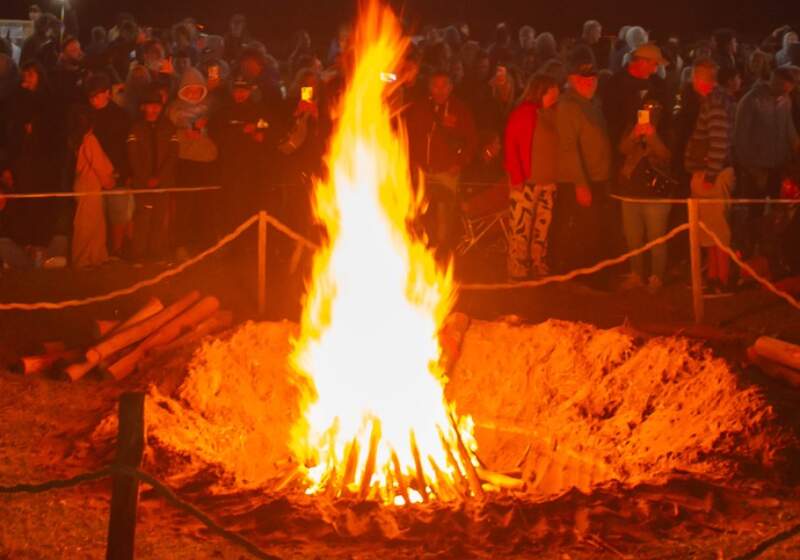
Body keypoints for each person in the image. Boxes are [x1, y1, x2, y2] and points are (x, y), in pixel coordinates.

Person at [603, 43, 674, 292]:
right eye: (654, 64)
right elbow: (620, 145)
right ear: (641, 61)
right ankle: (636, 273)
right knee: (632, 234)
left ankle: (655, 276)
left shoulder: (660, 91)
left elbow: (667, 153)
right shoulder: (615, 87)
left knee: (656, 235)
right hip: (630, 180)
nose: (655, 70)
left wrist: (653, 136)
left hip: (654, 183)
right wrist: (634, 134)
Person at [0, 62, 68, 269]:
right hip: (21, 166)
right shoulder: (15, 101)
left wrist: (36, 129)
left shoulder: (52, 103)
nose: (26, 78)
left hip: (44, 168)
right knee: (21, 208)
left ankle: (40, 248)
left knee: (42, 208)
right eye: (25, 74)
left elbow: (57, 137)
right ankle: (24, 249)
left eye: (31, 74)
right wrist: (7, 167)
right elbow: (9, 136)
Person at [553, 47, 612, 274]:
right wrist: (580, 184)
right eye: (582, 77)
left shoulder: (592, 103)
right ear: (571, 79)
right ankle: (582, 275)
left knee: (593, 229)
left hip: (596, 177)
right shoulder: (569, 106)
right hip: (581, 181)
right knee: (584, 230)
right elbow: (569, 148)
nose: (588, 81)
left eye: (591, 76)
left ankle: (590, 272)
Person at [407, 70, 478, 255]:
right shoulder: (420, 108)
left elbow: (471, 141)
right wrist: (412, 162)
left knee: (444, 219)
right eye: (435, 86)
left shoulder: (460, 110)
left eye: (443, 86)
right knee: (416, 215)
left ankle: (442, 259)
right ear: (429, 88)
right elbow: (409, 137)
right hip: (421, 172)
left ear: (450, 87)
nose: (439, 91)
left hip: (446, 172)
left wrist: (460, 163)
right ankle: (417, 255)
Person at [733, 67, 799, 260]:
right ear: (774, 80)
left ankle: (772, 255)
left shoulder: (785, 100)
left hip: (777, 166)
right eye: (783, 87)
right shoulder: (751, 101)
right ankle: (751, 255)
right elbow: (740, 139)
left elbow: (789, 130)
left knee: (778, 212)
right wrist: (752, 169)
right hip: (756, 168)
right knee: (755, 213)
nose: (786, 91)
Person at [685, 59, 736, 293]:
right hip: (712, 172)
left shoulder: (714, 103)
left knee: (717, 229)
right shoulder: (719, 99)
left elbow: (718, 140)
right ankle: (714, 276)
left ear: (699, 79)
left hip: (712, 174)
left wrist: (711, 173)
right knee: (711, 229)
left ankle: (721, 280)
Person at [504, 73, 560, 280]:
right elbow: (512, 147)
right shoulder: (524, 114)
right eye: (552, 95)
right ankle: (517, 266)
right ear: (541, 92)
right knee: (521, 227)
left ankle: (538, 262)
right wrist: (517, 177)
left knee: (541, 228)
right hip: (526, 182)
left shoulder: (551, 114)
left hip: (548, 181)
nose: (555, 99)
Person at [210, 77, 276, 232]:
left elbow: (272, 129)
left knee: (254, 206)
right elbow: (216, 134)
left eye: (244, 91)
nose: (240, 94)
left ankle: (252, 241)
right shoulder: (223, 111)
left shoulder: (260, 110)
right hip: (231, 169)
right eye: (237, 90)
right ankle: (233, 243)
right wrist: (241, 131)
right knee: (233, 207)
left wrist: (262, 136)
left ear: (250, 91)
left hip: (255, 169)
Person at [167, 67, 219, 257]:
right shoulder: (175, 111)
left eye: (197, 89)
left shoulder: (212, 108)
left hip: (207, 162)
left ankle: (207, 243)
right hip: (186, 162)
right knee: (185, 206)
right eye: (188, 89)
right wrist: (186, 131)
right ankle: (182, 243)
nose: (193, 93)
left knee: (206, 205)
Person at [127, 85, 179, 262]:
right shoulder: (136, 128)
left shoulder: (169, 127)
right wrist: (144, 178)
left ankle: (156, 253)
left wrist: (160, 178)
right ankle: (138, 254)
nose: (154, 109)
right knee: (142, 218)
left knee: (159, 218)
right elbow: (133, 157)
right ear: (143, 107)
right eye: (150, 105)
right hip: (142, 183)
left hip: (163, 182)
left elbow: (173, 155)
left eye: (157, 105)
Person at [86, 73, 133, 258]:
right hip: (93, 172)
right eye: (91, 96)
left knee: (118, 214)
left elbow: (126, 146)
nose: (93, 100)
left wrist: (125, 171)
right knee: (97, 216)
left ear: (107, 93)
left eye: (96, 95)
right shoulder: (86, 115)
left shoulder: (121, 116)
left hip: (117, 172)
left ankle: (117, 250)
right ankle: (100, 251)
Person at [68, 106, 115, 268]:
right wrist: (108, 182)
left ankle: (96, 257)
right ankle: (82, 260)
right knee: (87, 224)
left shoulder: (77, 140)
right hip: (90, 185)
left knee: (94, 223)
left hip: (84, 185)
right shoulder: (89, 140)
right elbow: (99, 165)